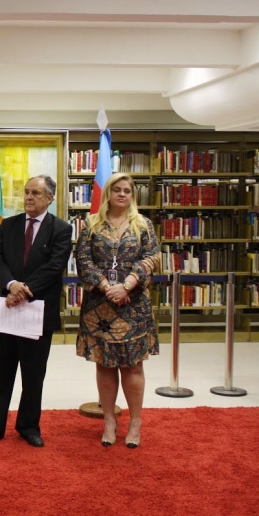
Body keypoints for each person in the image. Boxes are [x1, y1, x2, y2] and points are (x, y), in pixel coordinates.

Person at [0, 175, 72, 448]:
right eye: (27, 192)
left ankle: (28, 426)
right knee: (0, 372)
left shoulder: (61, 229)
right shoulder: (9, 224)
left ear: (49, 198)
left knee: (33, 375)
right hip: (8, 311)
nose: (29, 197)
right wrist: (12, 285)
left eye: (36, 193)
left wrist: (24, 290)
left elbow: (55, 265)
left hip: (38, 312)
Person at [75, 172, 160, 449]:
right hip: (100, 308)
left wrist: (127, 285)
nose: (123, 194)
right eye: (117, 190)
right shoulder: (91, 225)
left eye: (128, 190)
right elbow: (83, 260)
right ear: (108, 194)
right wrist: (104, 285)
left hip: (133, 306)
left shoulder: (144, 225)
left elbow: (152, 257)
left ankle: (135, 422)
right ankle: (109, 420)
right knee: (105, 364)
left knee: (133, 365)